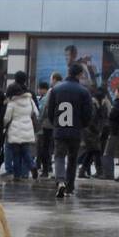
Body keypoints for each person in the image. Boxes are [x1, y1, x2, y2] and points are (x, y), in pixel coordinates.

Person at [46, 61, 93, 198]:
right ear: (79, 74)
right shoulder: (84, 91)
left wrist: (54, 123)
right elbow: (88, 113)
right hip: (75, 130)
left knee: (59, 156)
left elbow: (50, 110)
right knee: (72, 159)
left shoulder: (56, 89)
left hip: (60, 129)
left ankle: (60, 181)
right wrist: (82, 125)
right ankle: (70, 187)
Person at [3, 73, 38, 180]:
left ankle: (17, 175)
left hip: (15, 129)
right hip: (27, 128)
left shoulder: (12, 102)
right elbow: (36, 112)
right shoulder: (29, 99)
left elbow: (7, 118)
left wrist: (4, 125)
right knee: (26, 151)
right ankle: (32, 166)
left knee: (16, 154)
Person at [79, 86, 109, 178]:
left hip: (94, 131)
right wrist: (97, 130)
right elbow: (92, 119)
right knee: (95, 151)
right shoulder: (93, 104)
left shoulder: (101, 104)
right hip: (91, 131)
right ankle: (98, 171)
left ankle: (83, 171)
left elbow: (103, 118)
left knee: (92, 151)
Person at [36, 73, 60, 177]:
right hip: (60, 124)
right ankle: (57, 171)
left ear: (54, 79)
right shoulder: (64, 89)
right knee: (56, 147)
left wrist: (40, 121)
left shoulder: (52, 91)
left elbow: (46, 107)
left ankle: (45, 170)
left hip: (48, 124)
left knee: (45, 147)